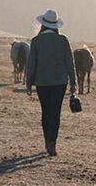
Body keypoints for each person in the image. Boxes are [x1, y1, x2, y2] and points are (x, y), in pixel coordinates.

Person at [24, 9, 76, 157]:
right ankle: (53, 143)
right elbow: (70, 63)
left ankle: (47, 141)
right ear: (56, 26)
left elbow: (31, 65)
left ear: (43, 25)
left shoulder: (36, 41)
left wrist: (28, 83)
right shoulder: (63, 40)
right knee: (56, 113)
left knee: (46, 112)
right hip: (60, 82)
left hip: (42, 82)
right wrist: (73, 83)